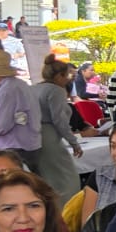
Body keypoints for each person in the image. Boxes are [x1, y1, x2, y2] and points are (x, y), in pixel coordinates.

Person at [33, 57, 83, 200]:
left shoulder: (34, 88)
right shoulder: (56, 90)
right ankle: (65, 212)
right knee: (66, 179)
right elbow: (59, 120)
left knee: (47, 178)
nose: (68, 79)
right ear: (59, 75)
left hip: (35, 135)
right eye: (66, 75)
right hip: (49, 136)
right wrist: (73, 142)